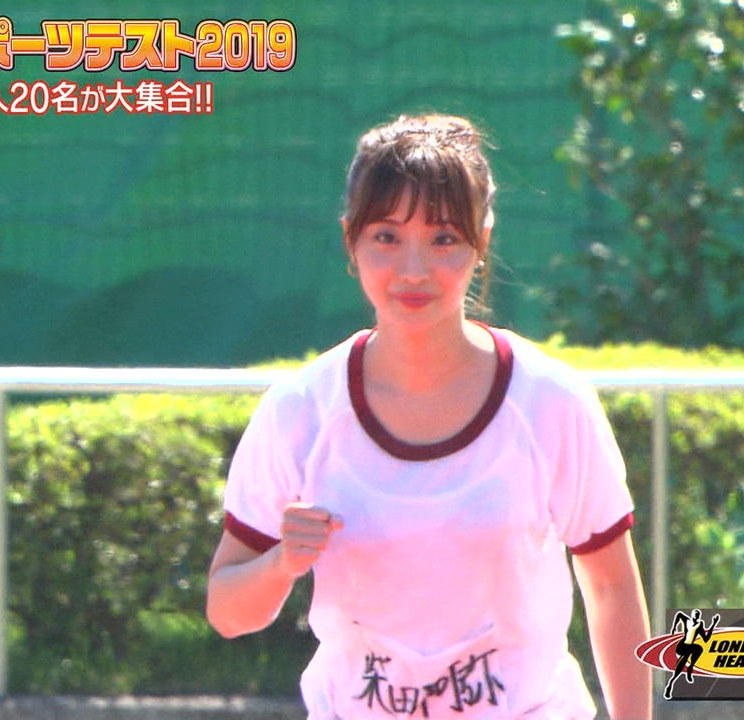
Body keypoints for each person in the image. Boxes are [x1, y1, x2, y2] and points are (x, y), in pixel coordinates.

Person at [206, 113, 651, 720]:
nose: (414, 270)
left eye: (443, 238)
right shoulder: (301, 409)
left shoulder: (550, 399)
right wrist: (282, 561)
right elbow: (229, 612)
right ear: (351, 240)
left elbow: (610, 585)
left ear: (481, 241)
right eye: (386, 236)